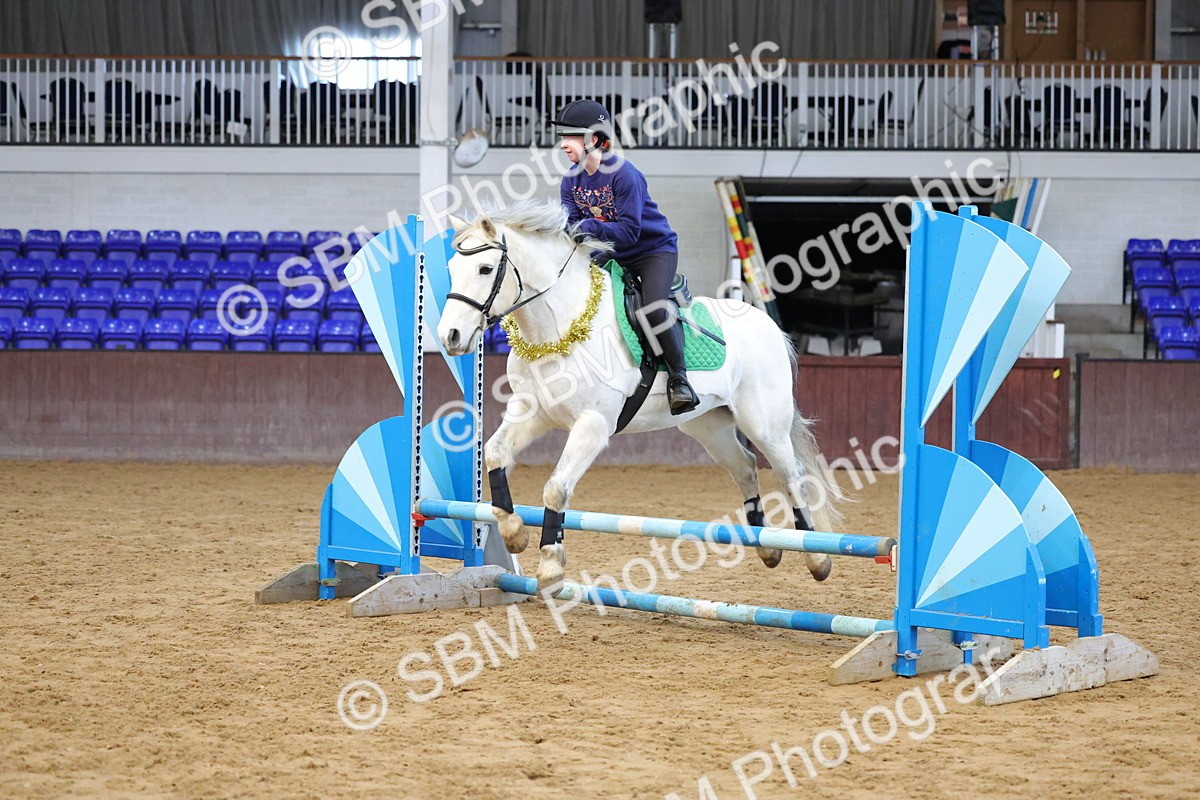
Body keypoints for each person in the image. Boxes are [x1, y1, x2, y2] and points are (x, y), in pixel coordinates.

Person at [552, 99, 699, 415]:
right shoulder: (570, 182)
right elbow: (574, 232)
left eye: (571, 136)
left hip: (652, 251)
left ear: (594, 139)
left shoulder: (624, 175)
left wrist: (585, 226)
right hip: (609, 253)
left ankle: (679, 379)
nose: (563, 144)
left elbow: (629, 231)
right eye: (562, 137)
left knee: (652, 309)